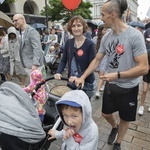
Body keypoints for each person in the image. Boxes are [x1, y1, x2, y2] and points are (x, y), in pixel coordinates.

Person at [75, 0, 148, 150]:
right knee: (106, 113)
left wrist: (117, 75)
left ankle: (118, 142)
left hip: (129, 87)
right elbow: (97, 59)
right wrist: (82, 77)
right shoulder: (107, 37)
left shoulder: (135, 36)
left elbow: (144, 68)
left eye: (103, 14)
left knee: (125, 118)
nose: (101, 17)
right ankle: (114, 127)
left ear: (113, 15)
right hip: (112, 85)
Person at [54, 15, 96, 98]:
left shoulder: (89, 44)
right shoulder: (68, 43)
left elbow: (92, 65)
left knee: (83, 108)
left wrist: (78, 76)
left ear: (83, 27)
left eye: (79, 25)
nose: (76, 28)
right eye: (73, 26)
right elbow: (63, 60)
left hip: (86, 83)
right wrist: (58, 72)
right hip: (71, 82)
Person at [92, 24, 109, 98]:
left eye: (107, 30)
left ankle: (97, 91)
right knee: (100, 74)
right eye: (104, 30)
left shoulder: (108, 38)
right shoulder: (95, 39)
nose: (106, 31)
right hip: (98, 57)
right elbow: (92, 49)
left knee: (101, 74)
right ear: (101, 31)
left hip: (105, 58)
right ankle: (102, 85)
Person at [138, 28, 150, 115]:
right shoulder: (148, 52)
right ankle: (141, 105)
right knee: (145, 90)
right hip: (148, 73)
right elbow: (145, 63)